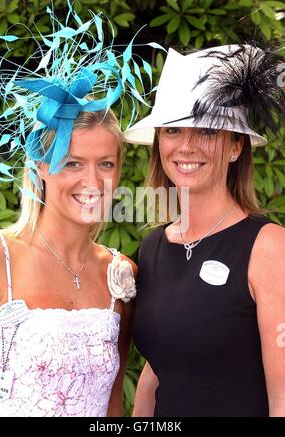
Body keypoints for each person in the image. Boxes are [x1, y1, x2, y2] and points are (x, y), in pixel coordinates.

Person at [0, 3, 156, 417]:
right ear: (41, 168)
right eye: (72, 163)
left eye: (106, 164)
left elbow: (114, 402)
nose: (92, 182)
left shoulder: (122, 275)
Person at [124, 44, 285, 417]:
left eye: (208, 131)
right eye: (174, 130)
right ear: (159, 142)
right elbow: (161, 366)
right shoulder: (152, 247)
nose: (187, 146)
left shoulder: (268, 247)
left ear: (235, 146)